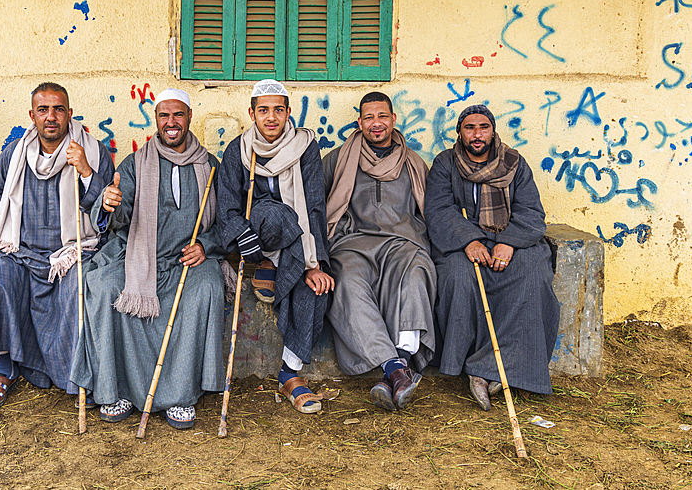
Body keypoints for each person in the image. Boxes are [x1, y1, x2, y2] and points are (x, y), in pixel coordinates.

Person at [71, 89, 228, 429]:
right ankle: (119, 389)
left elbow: (227, 219)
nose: (171, 123)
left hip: (188, 259)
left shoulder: (211, 166)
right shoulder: (135, 163)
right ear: (156, 120)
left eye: (178, 115)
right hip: (138, 252)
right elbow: (121, 215)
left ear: (189, 117)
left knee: (206, 290)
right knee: (105, 286)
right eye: (163, 116)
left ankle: (181, 395)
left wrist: (206, 244)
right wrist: (110, 202)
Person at [0, 83, 114, 410]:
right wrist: (3, 234)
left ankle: (76, 377)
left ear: (69, 114)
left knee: (79, 287)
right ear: (32, 115)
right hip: (20, 253)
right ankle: (3, 370)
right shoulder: (16, 153)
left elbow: (107, 206)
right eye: (43, 110)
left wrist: (86, 172)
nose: (51, 117)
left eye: (58, 109)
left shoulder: (91, 151)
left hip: (73, 253)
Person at [425, 104, 560, 411]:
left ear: (492, 130)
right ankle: (468, 362)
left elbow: (530, 210)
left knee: (530, 276)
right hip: (463, 242)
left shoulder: (515, 163)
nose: (477, 134)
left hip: (510, 238)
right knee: (458, 277)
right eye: (469, 127)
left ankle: (496, 366)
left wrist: (509, 242)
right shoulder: (446, 163)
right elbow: (438, 208)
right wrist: (468, 240)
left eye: (483, 127)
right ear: (459, 132)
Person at [217, 79, 333, 415]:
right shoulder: (238, 150)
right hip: (253, 241)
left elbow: (314, 206)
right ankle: (266, 262)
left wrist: (315, 263)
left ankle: (290, 373)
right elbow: (227, 207)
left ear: (288, 112)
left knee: (315, 286)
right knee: (275, 212)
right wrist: (245, 238)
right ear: (251, 113)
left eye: (278, 110)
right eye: (263, 110)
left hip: (297, 240)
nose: (271, 117)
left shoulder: (305, 147)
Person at [322, 91, 436, 411]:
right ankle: (396, 369)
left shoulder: (413, 163)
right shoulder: (338, 159)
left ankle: (396, 365)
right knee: (345, 281)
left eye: (382, 116)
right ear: (359, 122)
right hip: (352, 243)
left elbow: (431, 212)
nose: (376, 123)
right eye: (369, 117)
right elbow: (315, 205)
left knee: (417, 273)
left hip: (403, 242)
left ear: (393, 120)